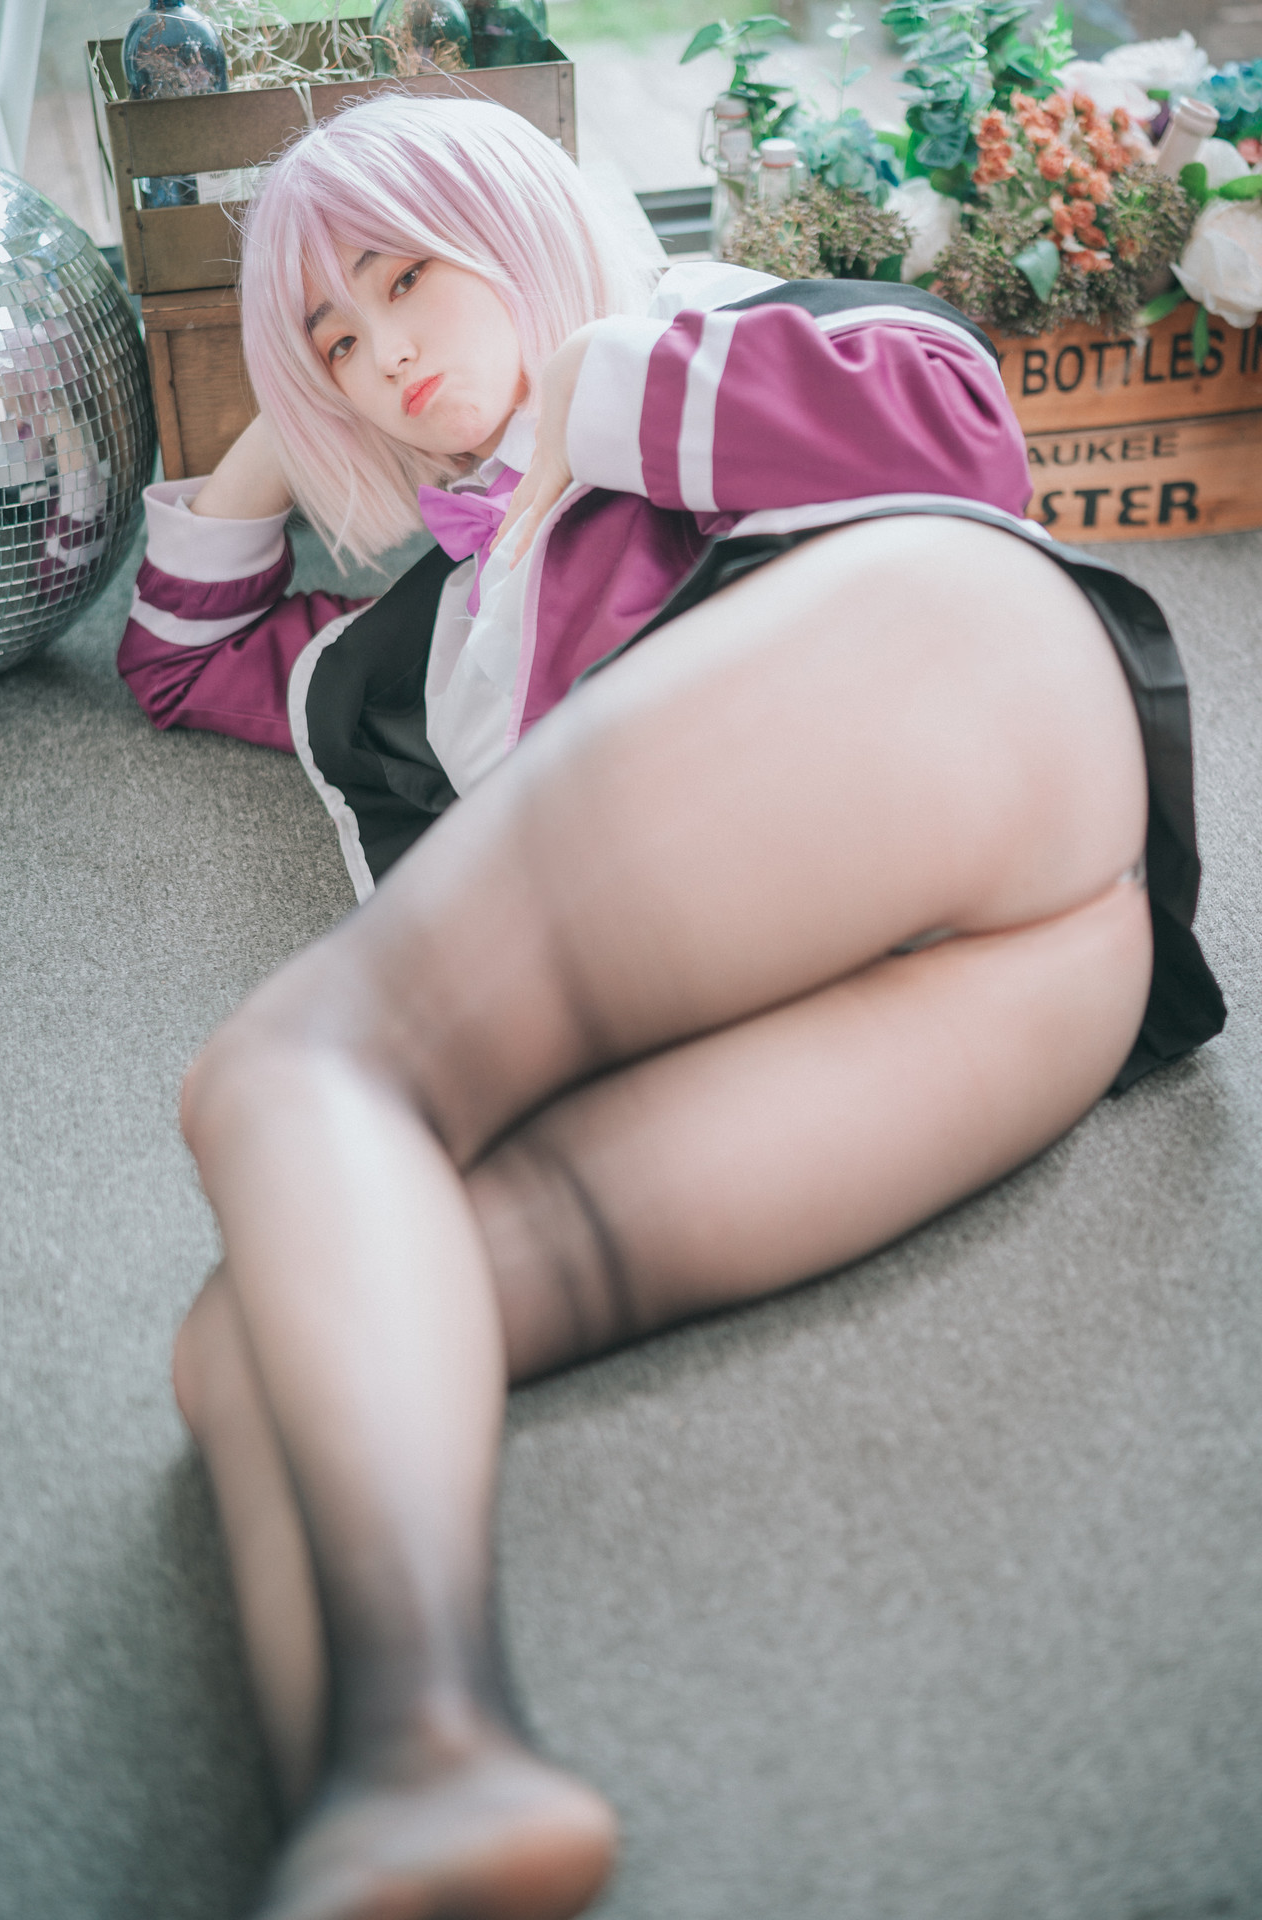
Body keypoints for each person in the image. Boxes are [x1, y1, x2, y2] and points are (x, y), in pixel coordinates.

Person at [132, 94, 1223, 1920]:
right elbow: (180, 663)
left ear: (522, 219)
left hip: (977, 704)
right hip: (1015, 991)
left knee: (285, 1072)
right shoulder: (412, 643)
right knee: (243, 1349)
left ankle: (418, 1750)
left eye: (408, 277)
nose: (383, 353)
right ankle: (406, 1779)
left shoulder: (714, 325)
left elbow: (964, 437)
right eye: (336, 340)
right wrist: (286, 404)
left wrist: (584, 385)